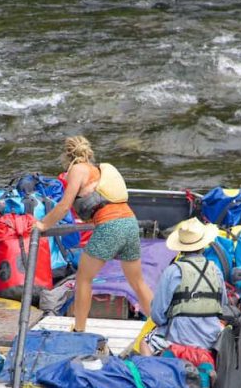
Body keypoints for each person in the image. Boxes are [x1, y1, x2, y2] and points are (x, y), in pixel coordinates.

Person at [34, 135, 153, 332]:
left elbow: (64, 206)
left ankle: (79, 329)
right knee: (137, 282)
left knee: (83, 278)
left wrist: (43, 225)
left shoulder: (77, 170)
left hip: (110, 226)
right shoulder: (97, 172)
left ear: (67, 155)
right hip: (130, 223)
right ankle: (158, 325)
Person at [141, 217, 228, 362]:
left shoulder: (172, 271)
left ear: (181, 247)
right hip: (210, 338)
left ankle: (152, 373)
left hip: (178, 339)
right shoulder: (216, 270)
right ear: (203, 245)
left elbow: (157, 316)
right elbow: (222, 306)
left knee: (144, 343)